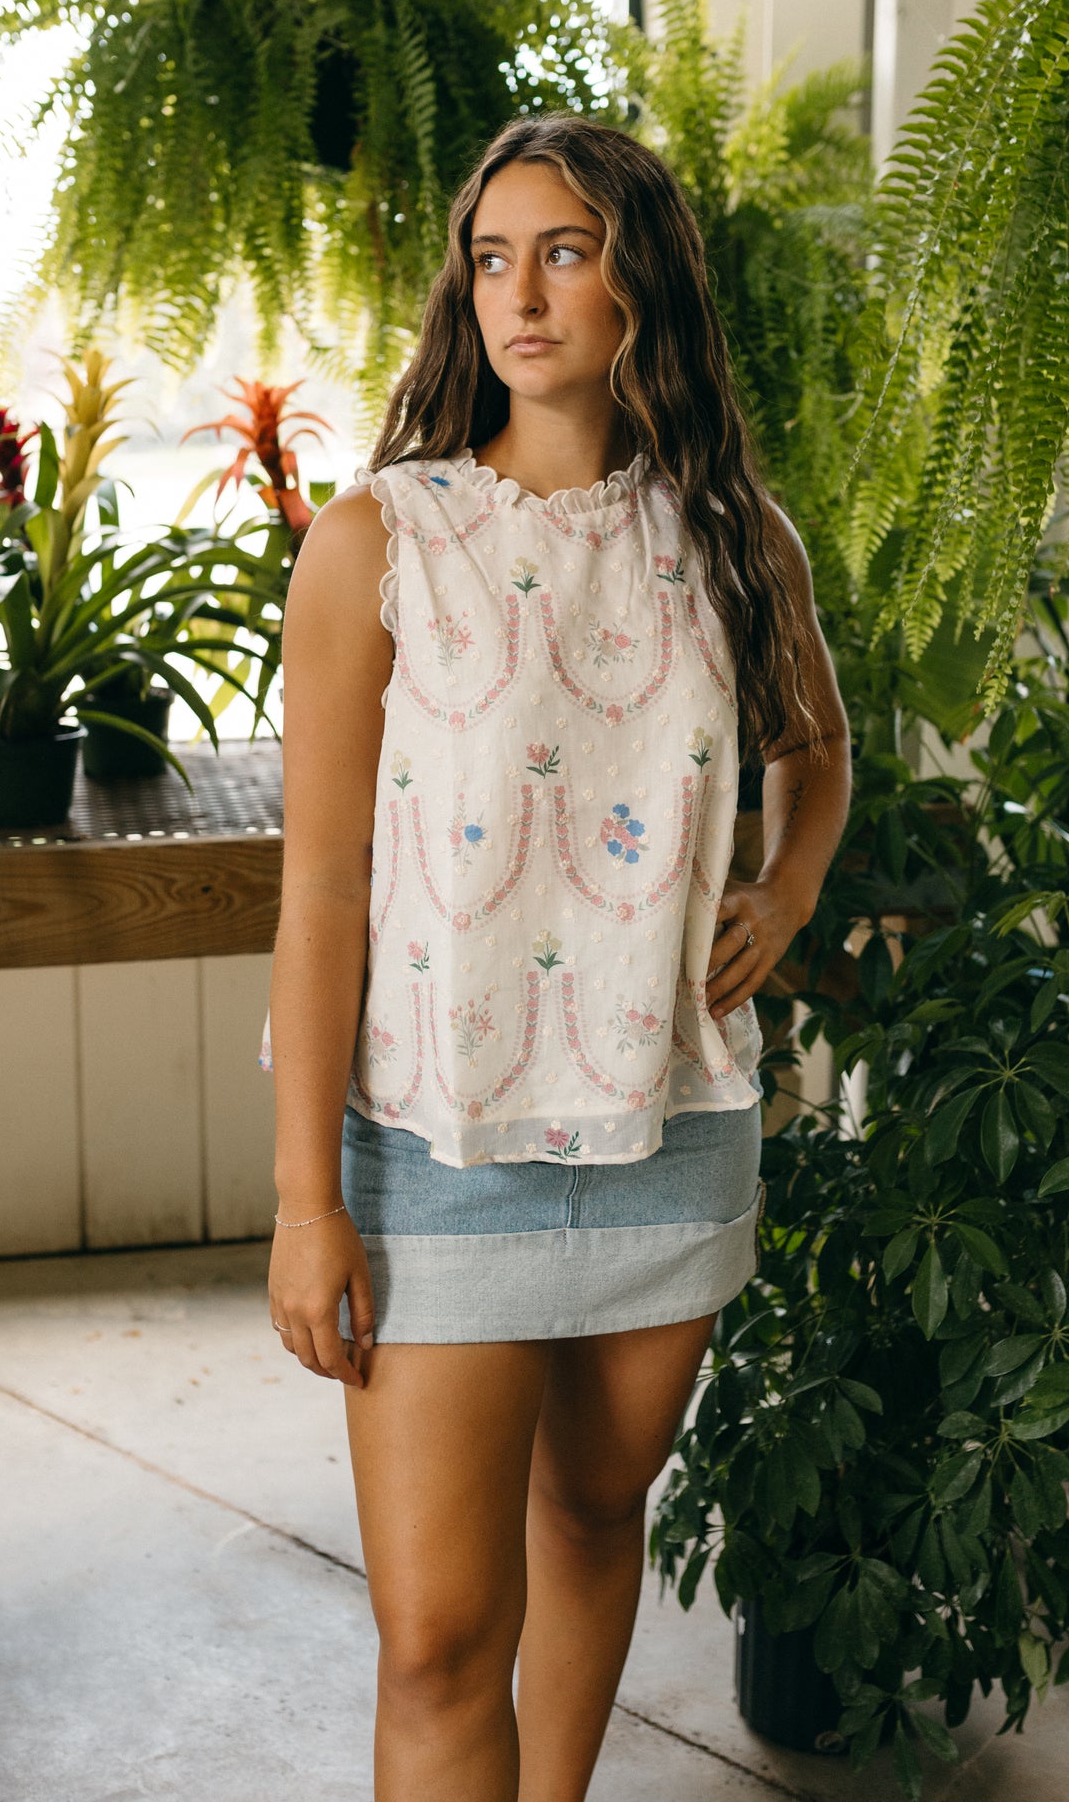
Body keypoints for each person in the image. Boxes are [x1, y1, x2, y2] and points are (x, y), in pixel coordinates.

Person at [266, 114, 850, 1802]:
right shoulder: (381, 543)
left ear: (636, 282)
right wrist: (310, 1207)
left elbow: (815, 752)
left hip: (668, 1133)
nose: (521, 291)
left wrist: (787, 888)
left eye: (567, 250)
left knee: (598, 1519)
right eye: (491, 257)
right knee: (439, 1637)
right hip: (435, 1158)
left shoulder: (736, 536)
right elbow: (318, 898)